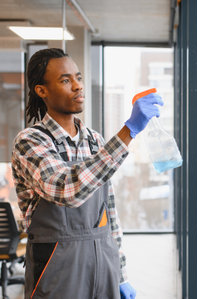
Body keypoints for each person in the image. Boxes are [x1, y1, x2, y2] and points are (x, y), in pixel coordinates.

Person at [11, 48, 163, 299]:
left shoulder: (95, 141)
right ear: (42, 91)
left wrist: (121, 273)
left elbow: (109, 212)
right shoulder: (30, 141)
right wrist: (129, 131)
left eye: (78, 78)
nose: (77, 86)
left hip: (103, 262)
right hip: (57, 269)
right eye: (65, 80)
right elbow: (67, 190)